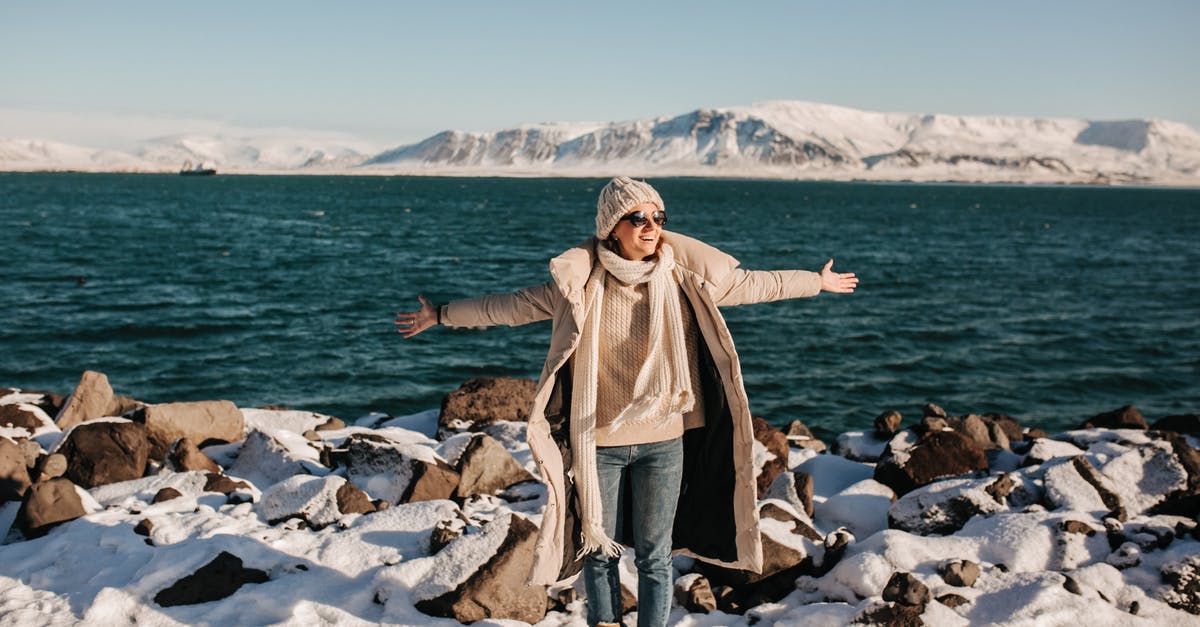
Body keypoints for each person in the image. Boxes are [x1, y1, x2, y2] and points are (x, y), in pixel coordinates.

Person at [396, 177, 858, 627]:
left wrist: (815, 282)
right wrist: (441, 314)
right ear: (611, 227)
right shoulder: (578, 287)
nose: (650, 225)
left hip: (665, 441)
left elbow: (758, 283)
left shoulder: (684, 279)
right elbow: (509, 307)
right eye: (637, 217)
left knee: (656, 555)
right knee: (599, 550)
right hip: (599, 442)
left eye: (658, 216)